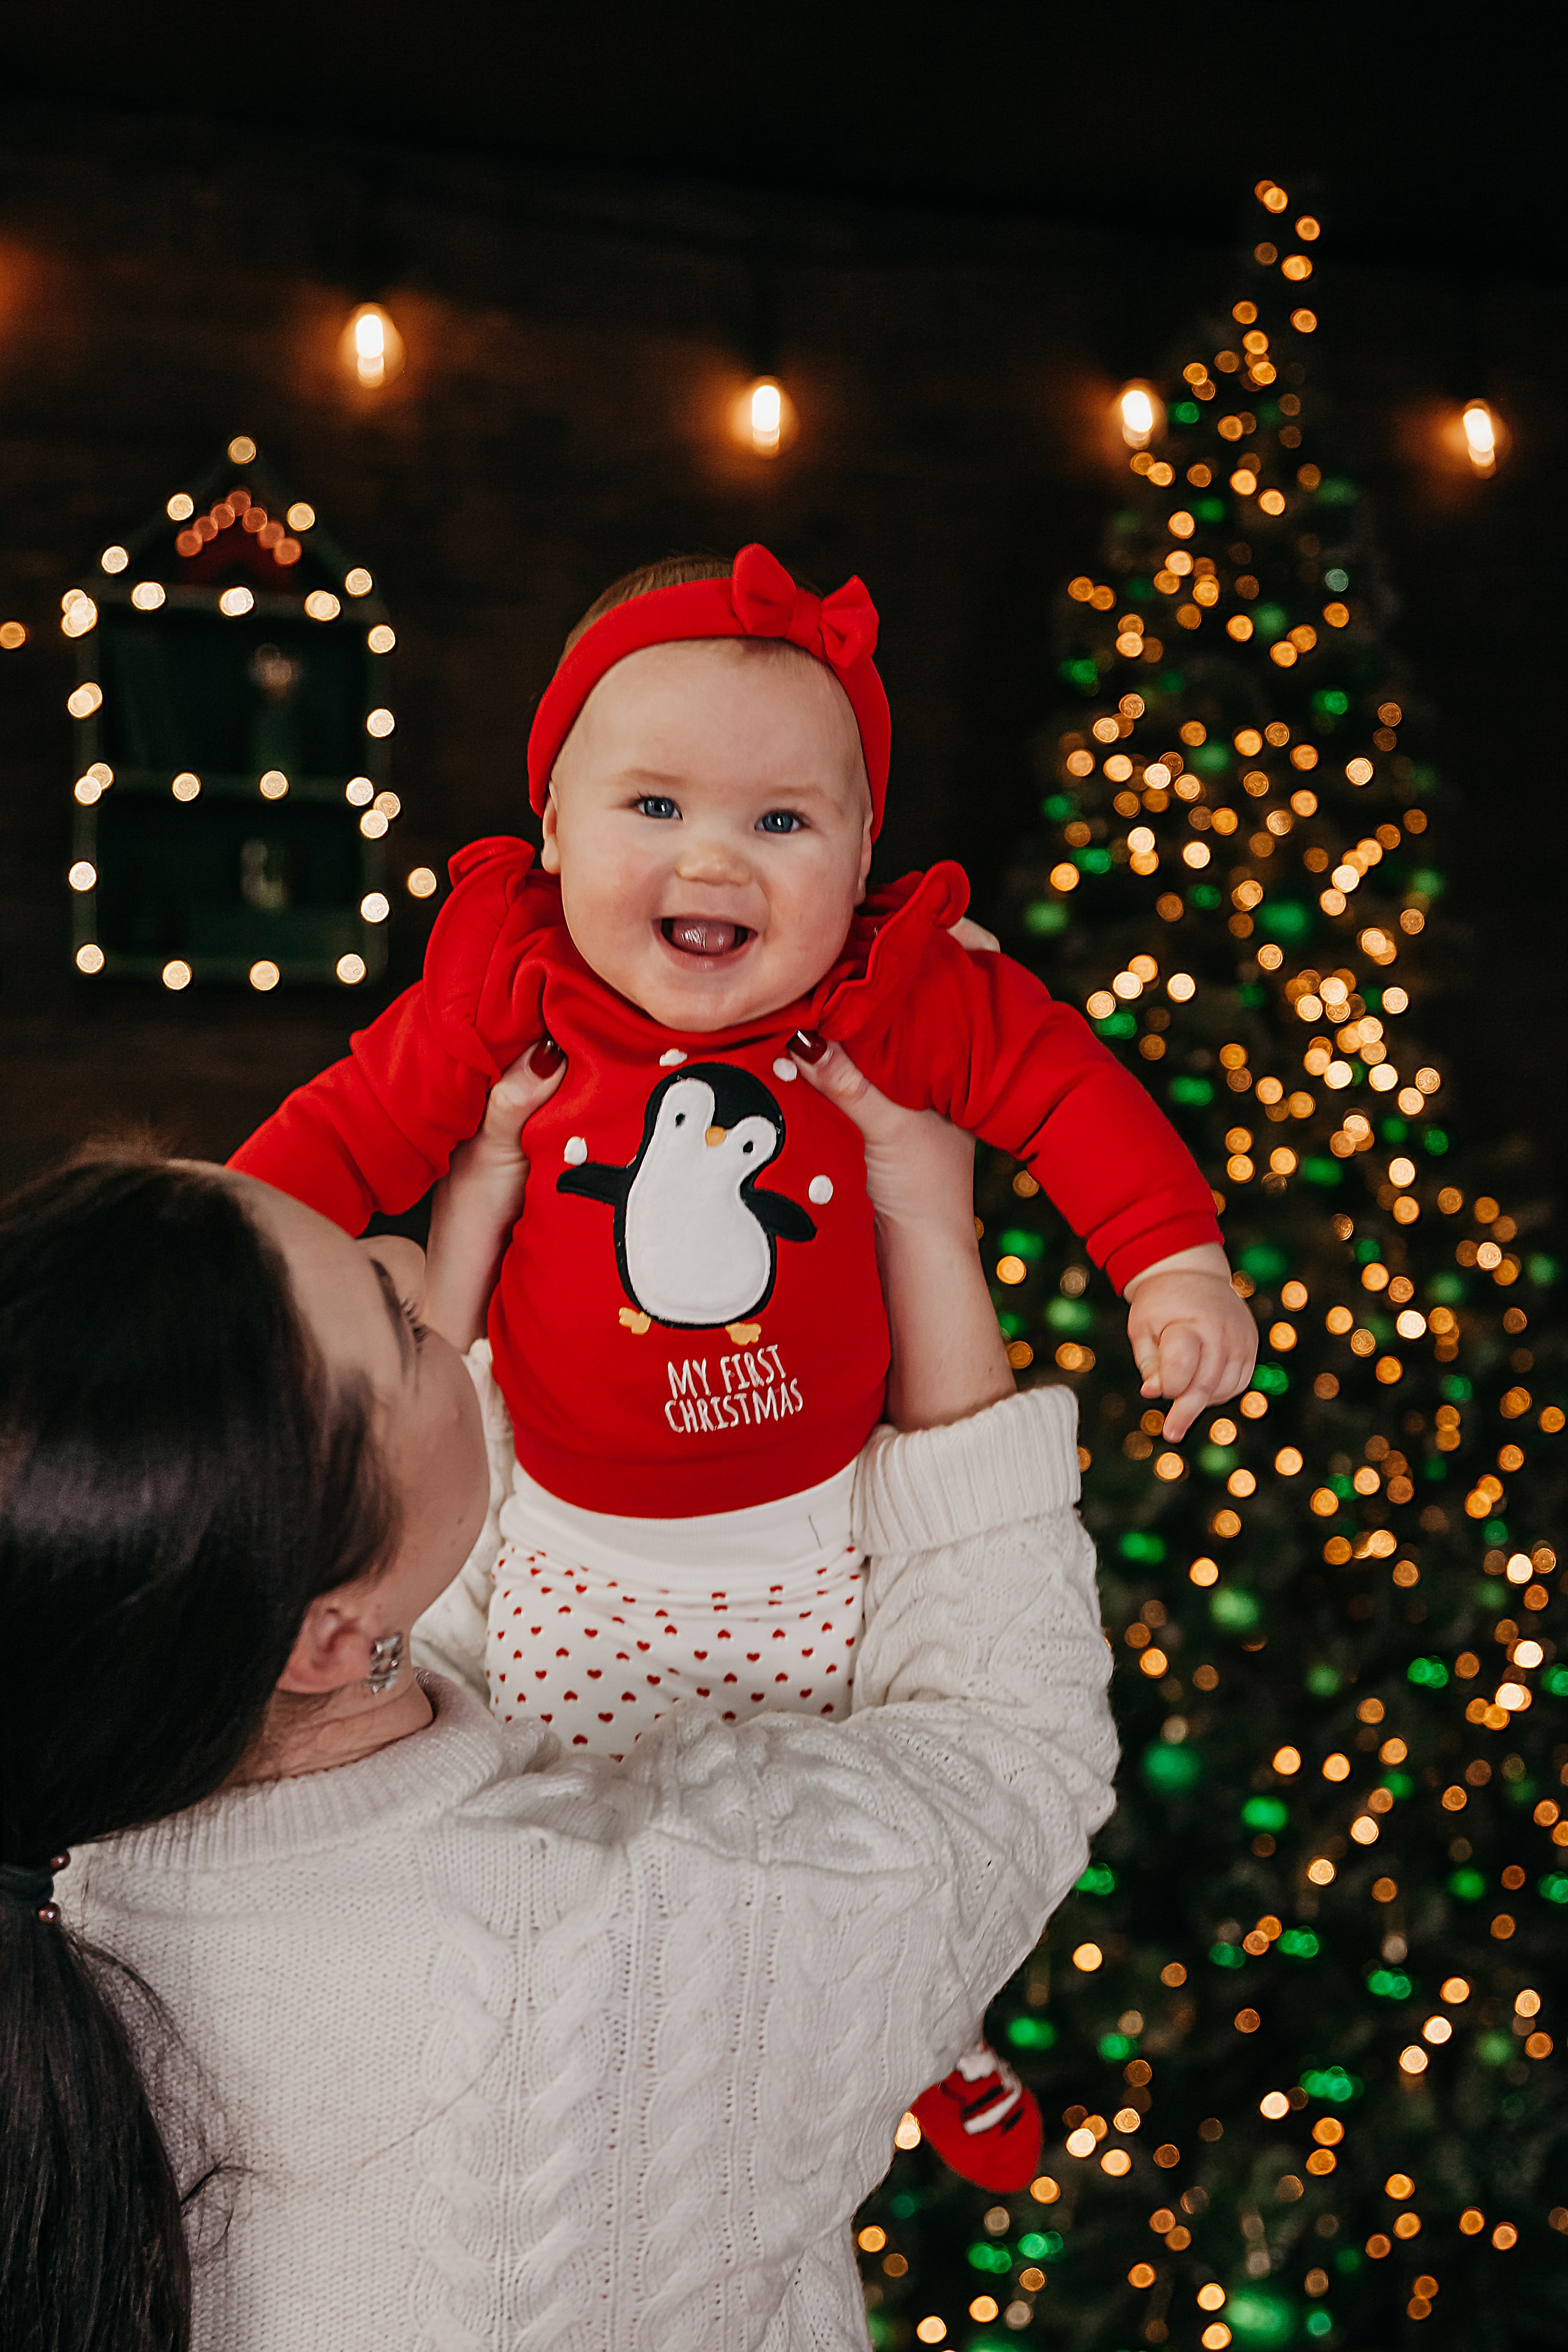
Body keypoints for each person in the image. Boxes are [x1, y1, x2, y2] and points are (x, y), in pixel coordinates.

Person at [230, 545, 1252, 2182]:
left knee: (870, 1850)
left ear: (861, 861)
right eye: (654, 809)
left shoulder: (892, 1003)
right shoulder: (513, 991)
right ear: (552, 831)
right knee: (552, 1825)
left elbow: (1069, 1091)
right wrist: (211, 1252)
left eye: (784, 821)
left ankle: (934, 2035)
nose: (717, 857)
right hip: (567, 1548)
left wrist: (1172, 1256)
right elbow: (344, 1129)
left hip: (813, 1552)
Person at [1, 1046, 1117, 2352]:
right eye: (395, 1320)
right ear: (320, 1633)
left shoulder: (71, 1872)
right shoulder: (618, 1951)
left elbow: (421, 1645)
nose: (417, 1265)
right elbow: (1007, 1749)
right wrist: (927, 1222)